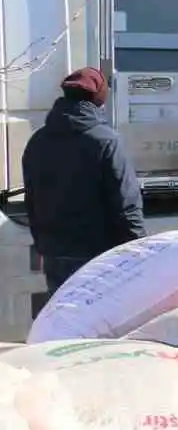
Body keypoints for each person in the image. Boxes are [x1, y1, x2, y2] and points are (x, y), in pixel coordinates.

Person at [22, 67, 146, 299]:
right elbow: (126, 205)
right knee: (99, 325)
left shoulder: (37, 141)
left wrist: (43, 244)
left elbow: (32, 200)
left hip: (54, 253)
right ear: (99, 98)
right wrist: (140, 252)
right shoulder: (106, 140)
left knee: (65, 321)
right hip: (97, 255)